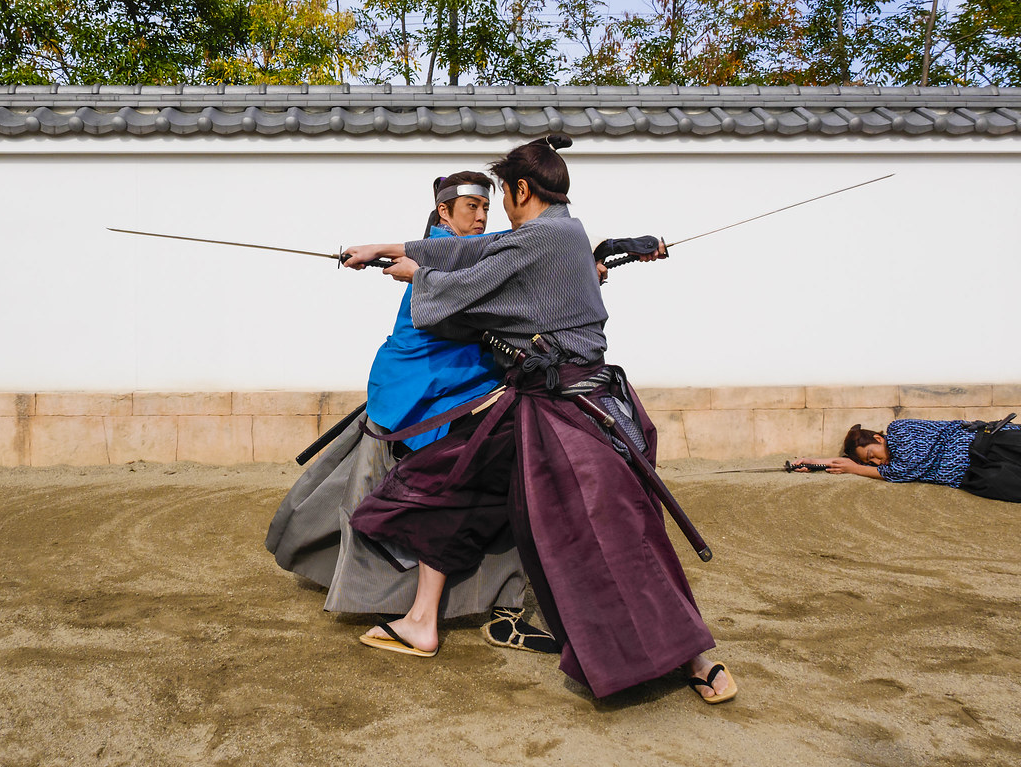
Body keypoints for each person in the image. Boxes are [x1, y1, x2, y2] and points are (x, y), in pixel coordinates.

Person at [341, 135, 736, 703]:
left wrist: (415, 276)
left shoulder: (547, 238)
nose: (491, 210)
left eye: (496, 197)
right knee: (455, 485)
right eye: (475, 205)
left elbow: (476, 271)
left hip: (573, 411)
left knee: (614, 526)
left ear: (521, 189)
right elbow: (476, 254)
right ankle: (421, 621)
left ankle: (693, 654)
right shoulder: (556, 235)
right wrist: (385, 248)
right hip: (528, 402)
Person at [266, 171, 558, 653]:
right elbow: (489, 297)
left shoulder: (462, 252)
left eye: (486, 207)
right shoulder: (444, 256)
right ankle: (422, 611)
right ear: (444, 212)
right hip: (420, 399)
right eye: (471, 208)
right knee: (429, 502)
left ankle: (458, 608)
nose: (482, 217)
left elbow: (518, 260)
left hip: (461, 393)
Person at [795, 416, 1021, 502]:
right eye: (869, 462)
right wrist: (816, 462)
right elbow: (859, 467)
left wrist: (857, 469)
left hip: (992, 445)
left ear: (878, 438)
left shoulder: (899, 429)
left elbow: (905, 470)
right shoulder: (885, 466)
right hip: (978, 474)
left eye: (872, 455)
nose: (876, 464)